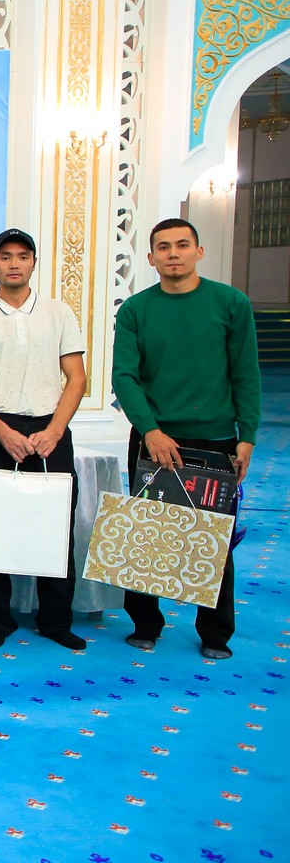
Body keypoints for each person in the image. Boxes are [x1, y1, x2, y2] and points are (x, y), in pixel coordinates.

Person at [111, 217, 260, 660]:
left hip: (216, 440)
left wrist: (247, 435)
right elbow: (125, 377)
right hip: (154, 439)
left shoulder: (231, 303)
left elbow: (245, 373)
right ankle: (145, 623)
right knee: (147, 533)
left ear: (198, 251)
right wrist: (151, 430)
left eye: (181, 245)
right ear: (150, 257)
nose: (173, 253)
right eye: (163, 247)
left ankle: (215, 632)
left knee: (214, 538)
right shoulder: (136, 309)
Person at [0, 228, 88, 652]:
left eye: (23, 256)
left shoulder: (58, 313)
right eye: (5, 256)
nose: (14, 263)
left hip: (51, 428)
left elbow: (77, 378)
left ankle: (56, 620)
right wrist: (2, 431)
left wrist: (55, 430)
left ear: (33, 263)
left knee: (56, 527)